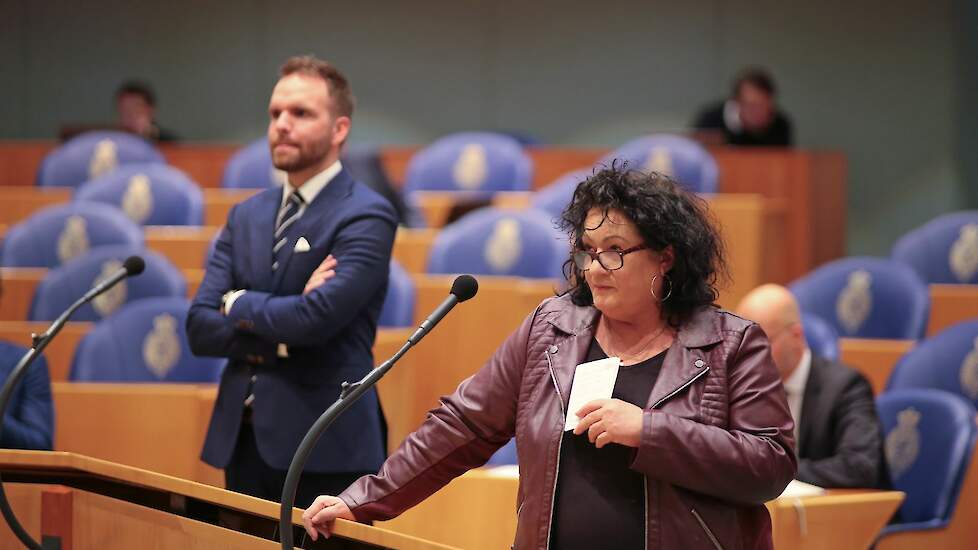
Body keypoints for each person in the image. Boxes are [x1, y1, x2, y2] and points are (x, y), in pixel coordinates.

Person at [303, 166, 796, 548]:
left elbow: (770, 464)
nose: (596, 267)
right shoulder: (552, 328)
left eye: (616, 250)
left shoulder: (731, 344)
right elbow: (460, 428)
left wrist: (650, 431)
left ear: (666, 258)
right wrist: (360, 501)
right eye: (587, 249)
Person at [187, 55, 397, 507]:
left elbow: (315, 319)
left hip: (325, 442)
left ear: (340, 128)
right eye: (275, 113)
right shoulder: (246, 215)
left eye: (300, 113)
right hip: (242, 441)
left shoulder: (366, 214)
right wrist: (281, 330)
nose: (282, 124)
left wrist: (238, 304)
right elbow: (199, 327)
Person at [736, 284, 889, 489]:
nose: (749, 356)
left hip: (846, 513)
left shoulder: (846, 386)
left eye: (761, 342)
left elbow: (860, 467)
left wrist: (775, 469)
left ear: (796, 336)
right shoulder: (745, 386)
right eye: (743, 344)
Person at [692, 67, 793, 147]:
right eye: (752, 106)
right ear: (736, 103)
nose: (759, 112)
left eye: (765, 106)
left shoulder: (780, 125)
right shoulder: (710, 120)